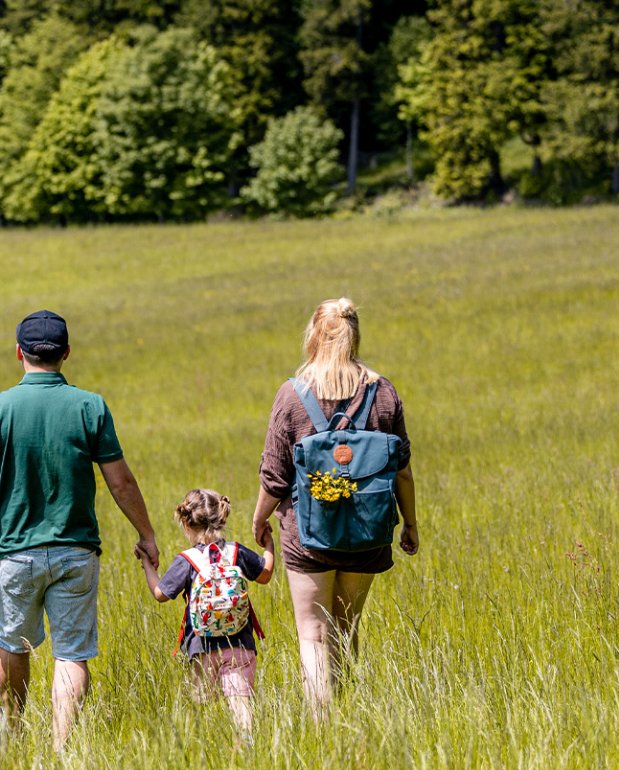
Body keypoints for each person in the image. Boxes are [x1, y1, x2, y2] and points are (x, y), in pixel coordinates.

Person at [0, 310, 159, 751]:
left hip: (15, 554)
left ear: (19, 353)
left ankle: (16, 731)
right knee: (71, 653)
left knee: (13, 645)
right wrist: (146, 533)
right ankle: (61, 749)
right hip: (76, 551)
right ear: (66, 353)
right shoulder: (89, 406)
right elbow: (121, 480)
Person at [251, 298, 419, 717]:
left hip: (307, 536)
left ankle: (322, 726)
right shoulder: (383, 393)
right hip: (368, 532)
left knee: (312, 634)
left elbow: (274, 477)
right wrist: (410, 524)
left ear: (313, 336)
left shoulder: (293, 395)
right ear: (354, 335)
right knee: (347, 628)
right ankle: (347, 714)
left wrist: (258, 519)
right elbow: (402, 471)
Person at [140, 489, 274, 737]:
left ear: (187, 523)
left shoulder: (187, 560)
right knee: (241, 704)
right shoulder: (236, 552)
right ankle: (246, 746)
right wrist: (269, 546)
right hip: (240, 644)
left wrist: (147, 565)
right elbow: (265, 574)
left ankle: (208, 750)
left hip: (201, 647)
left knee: (203, 707)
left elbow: (160, 594)